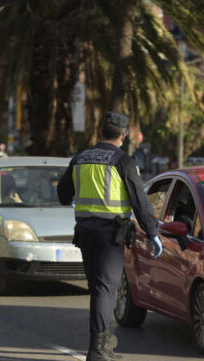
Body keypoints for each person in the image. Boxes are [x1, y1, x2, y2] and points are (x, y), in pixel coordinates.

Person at [57, 111, 163, 361]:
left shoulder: (80, 159)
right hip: (110, 235)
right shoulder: (123, 161)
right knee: (106, 289)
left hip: (84, 233)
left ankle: (101, 346)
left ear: (100, 131)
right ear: (124, 135)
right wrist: (153, 233)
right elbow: (140, 201)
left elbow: (62, 195)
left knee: (98, 289)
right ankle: (98, 350)